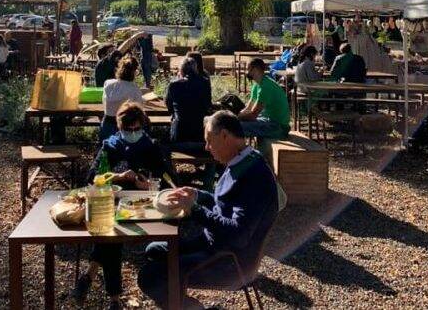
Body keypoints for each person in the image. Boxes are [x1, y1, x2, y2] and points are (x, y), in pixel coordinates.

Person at [138, 110, 279, 309]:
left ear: (224, 136)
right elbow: (224, 203)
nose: (206, 147)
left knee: (150, 276)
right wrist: (197, 195)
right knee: (154, 250)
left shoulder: (254, 175)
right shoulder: (241, 161)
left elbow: (238, 234)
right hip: (213, 244)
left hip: (230, 260)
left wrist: (195, 210)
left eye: (209, 141)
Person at [74, 102, 172, 310]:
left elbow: (167, 177)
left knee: (110, 236)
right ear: (120, 128)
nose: (133, 133)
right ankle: (114, 298)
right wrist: (117, 176)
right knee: (111, 237)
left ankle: (92, 276)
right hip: (113, 202)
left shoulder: (151, 147)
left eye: (137, 129)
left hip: (144, 205)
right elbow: (92, 179)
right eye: (129, 129)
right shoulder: (110, 146)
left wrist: (148, 184)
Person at [238, 58, 290, 141]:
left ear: (255, 70)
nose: (247, 72)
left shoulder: (266, 86)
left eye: (248, 69)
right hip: (268, 120)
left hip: (279, 127)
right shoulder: (257, 85)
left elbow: (253, 115)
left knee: (236, 127)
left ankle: (243, 152)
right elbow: (249, 108)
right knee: (235, 125)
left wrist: (236, 117)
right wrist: (238, 115)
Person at [165, 57, 212, 144]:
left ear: (181, 70)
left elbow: (169, 105)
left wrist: (175, 113)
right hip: (199, 134)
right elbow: (208, 105)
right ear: (195, 69)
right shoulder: (204, 83)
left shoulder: (174, 85)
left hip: (179, 134)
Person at [101, 55, 143, 140]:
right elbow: (139, 109)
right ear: (135, 72)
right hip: (124, 124)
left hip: (107, 123)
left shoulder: (108, 83)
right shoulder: (134, 88)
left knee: (106, 148)